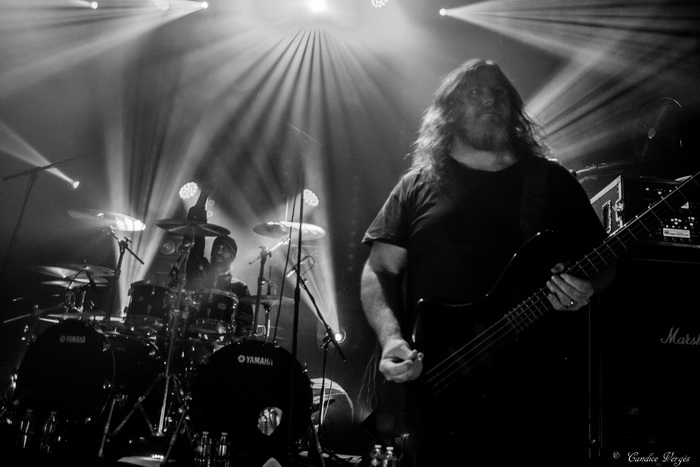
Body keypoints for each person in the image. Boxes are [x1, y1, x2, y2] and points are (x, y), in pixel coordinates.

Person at [360, 59, 616, 465]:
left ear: (513, 109)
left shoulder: (551, 182)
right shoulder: (417, 186)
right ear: (448, 110)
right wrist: (392, 339)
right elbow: (379, 269)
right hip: (435, 390)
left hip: (535, 396)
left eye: (499, 93)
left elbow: (605, 260)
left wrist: (587, 288)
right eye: (475, 92)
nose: (490, 100)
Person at [182, 185, 254, 339]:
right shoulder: (200, 269)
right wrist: (202, 200)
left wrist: (231, 339)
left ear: (232, 257)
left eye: (224, 249)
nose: (219, 251)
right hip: (189, 335)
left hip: (221, 343)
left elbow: (246, 323)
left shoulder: (240, 287)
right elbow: (195, 237)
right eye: (216, 247)